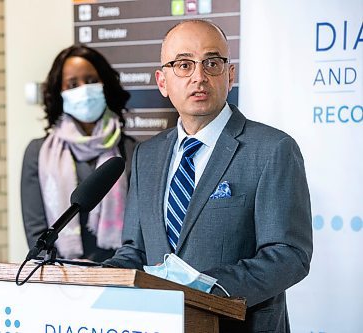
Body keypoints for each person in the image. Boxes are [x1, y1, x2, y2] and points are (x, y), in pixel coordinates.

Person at [103, 20, 313, 332]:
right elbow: (135, 252)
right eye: (183, 65)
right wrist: (93, 281)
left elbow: (289, 255)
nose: (199, 77)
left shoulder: (272, 149)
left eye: (212, 63)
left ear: (230, 76)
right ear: (162, 81)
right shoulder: (147, 155)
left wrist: (206, 288)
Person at [21, 45, 137, 263]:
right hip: (60, 280)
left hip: (119, 279)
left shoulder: (133, 151)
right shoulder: (37, 153)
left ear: (105, 85)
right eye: (73, 84)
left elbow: (138, 235)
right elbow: (36, 232)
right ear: (60, 92)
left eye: (92, 81)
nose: (83, 90)